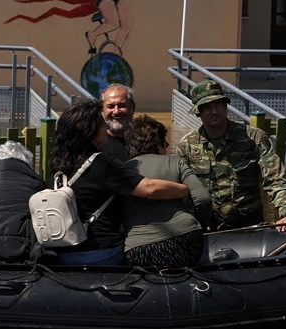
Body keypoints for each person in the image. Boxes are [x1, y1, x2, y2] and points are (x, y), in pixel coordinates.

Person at [43, 97, 192, 267]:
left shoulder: (58, 163)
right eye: (101, 124)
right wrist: (185, 190)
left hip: (65, 253)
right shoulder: (101, 163)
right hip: (101, 252)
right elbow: (150, 189)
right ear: (90, 131)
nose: (106, 127)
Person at [176, 79, 286, 231]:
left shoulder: (254, 138)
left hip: (249, 227)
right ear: (198, 112)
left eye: (218, 104)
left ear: (225, 106)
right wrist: (192, 220)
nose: (214, 111)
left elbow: (276, 179)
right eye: (207, 107)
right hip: (207, 229)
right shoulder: (186, 146)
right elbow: (181, 191)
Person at [121, 114, 212, 271]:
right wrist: (201, 224)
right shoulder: (175, 163)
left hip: (139, 250)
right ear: (159, 145)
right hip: (187, 240)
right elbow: (203, 199)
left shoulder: (121, 171)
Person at [100, 83, 135, 152]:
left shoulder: (144, 140)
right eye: (111, 106)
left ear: (132, 107)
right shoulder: (94, 143)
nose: (116, 112)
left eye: (122, 105)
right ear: (102, 109)